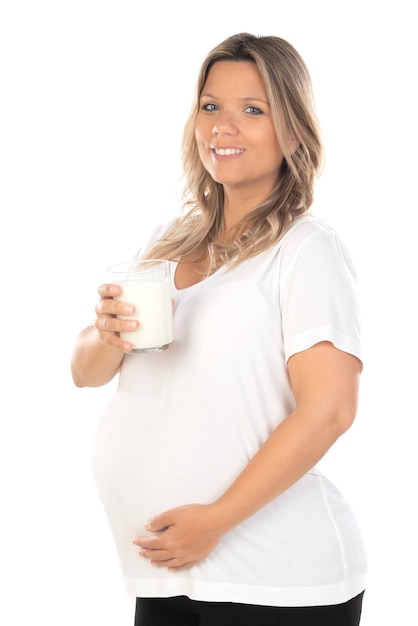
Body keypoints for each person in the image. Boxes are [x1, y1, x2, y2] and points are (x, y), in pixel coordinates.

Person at [71, 32, 367, 626]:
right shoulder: (168, 242)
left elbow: (329, 410)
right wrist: (105, 336)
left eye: (251, 110)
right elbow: (84, 373)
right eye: (210, 106)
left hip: (273, 581)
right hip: (168, 569)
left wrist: (215, 521)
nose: (221, 127)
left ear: (293, 131)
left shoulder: (305, 248)